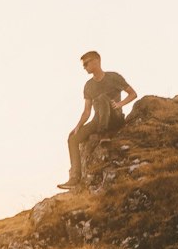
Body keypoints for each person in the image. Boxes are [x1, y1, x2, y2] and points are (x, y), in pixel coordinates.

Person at [59, 51, 137, 189]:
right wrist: (77, 126)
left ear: (96, 61)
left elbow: (133, 94)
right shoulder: (88, 85)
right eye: (83, 65)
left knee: (101, 98)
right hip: (97, 120)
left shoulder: (114, 77)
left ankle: (104, 134)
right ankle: (74, 178)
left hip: (115, 117)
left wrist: (120, 104)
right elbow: (87, 110)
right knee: (72, 139)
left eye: (86, 63)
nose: (84, 67)